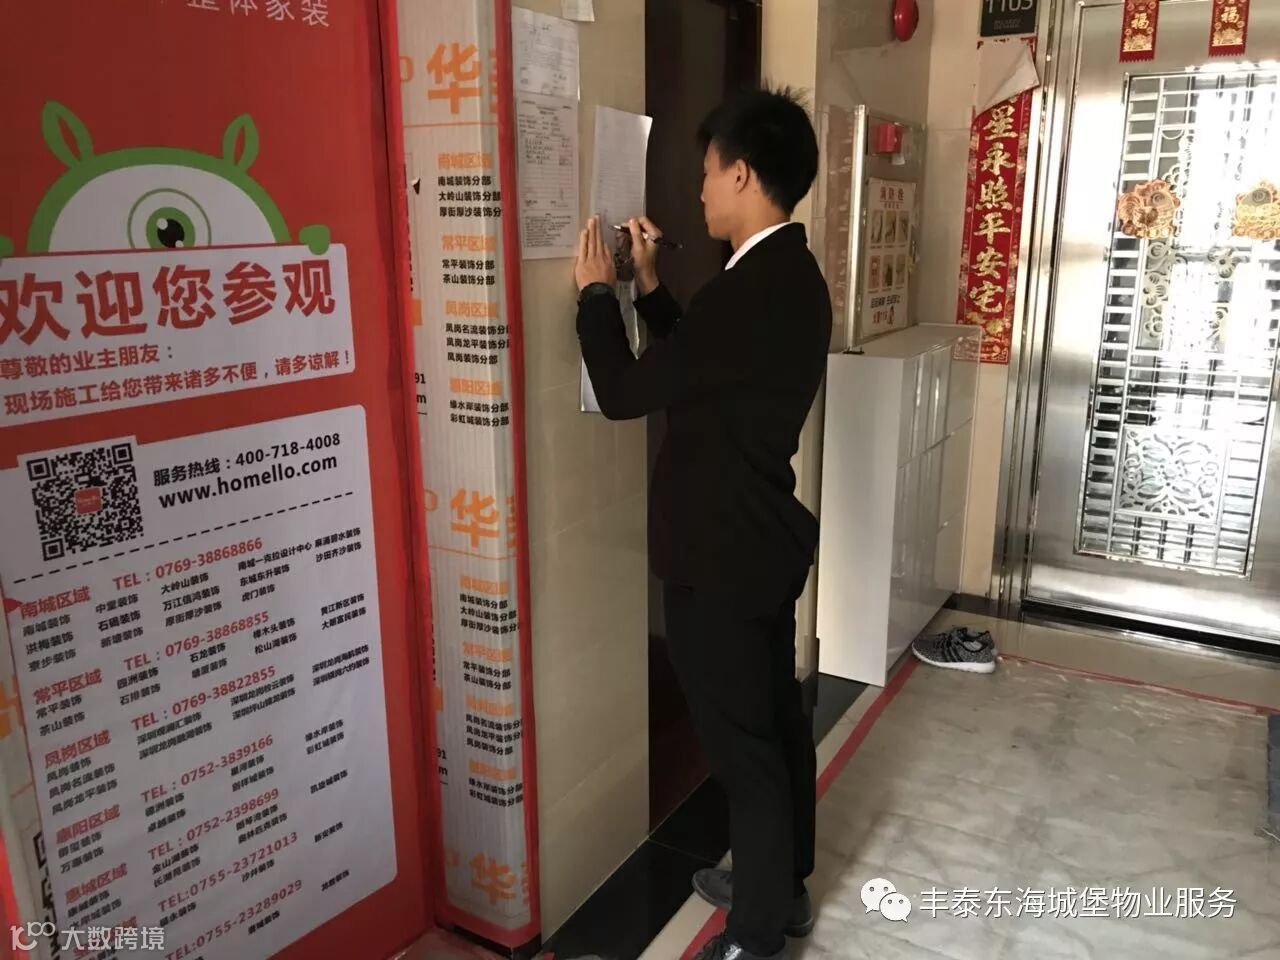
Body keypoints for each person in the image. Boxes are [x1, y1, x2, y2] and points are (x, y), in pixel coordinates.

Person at [573, 86, 831, 960]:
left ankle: (754, 936)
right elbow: (704, 367)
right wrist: (648, 287)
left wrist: (593, 295)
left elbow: (625, 393)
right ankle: (781, 888)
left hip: (719, 557)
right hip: (758, 544)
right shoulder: (787, 275)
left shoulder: (747, 289)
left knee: (744, 750)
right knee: (776, 723)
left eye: (709, 173)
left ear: (744, 174)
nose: (700, 192)